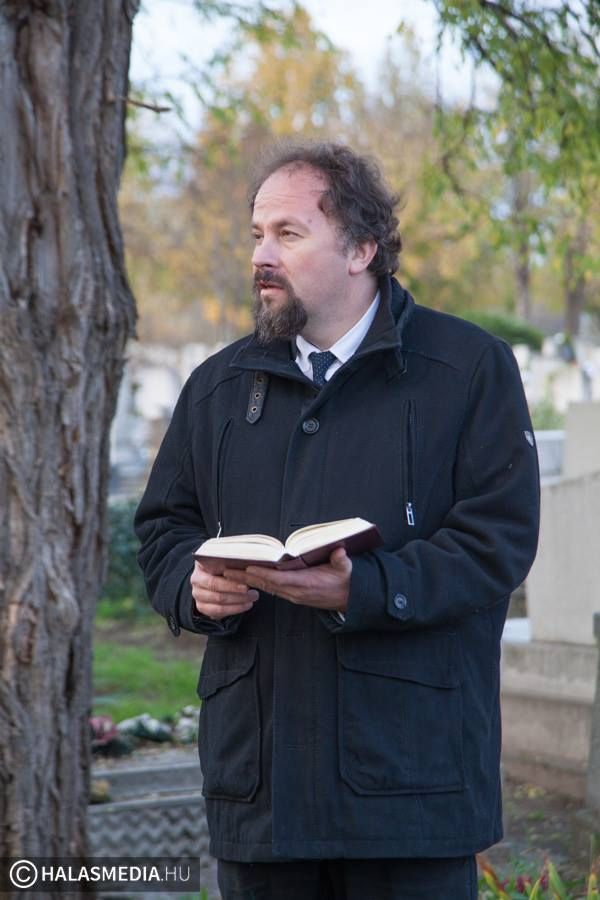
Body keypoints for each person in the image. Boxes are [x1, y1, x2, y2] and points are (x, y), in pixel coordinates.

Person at [134, 141, 540, 900]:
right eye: (257, 234)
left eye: (288, 234)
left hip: (411, 791)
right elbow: (163, 529)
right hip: (261, 797)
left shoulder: (468, 369)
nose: (261, 255)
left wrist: (366, 587)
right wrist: (193, 589)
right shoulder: (217, 387)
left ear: (361, 249)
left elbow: (498, 542)